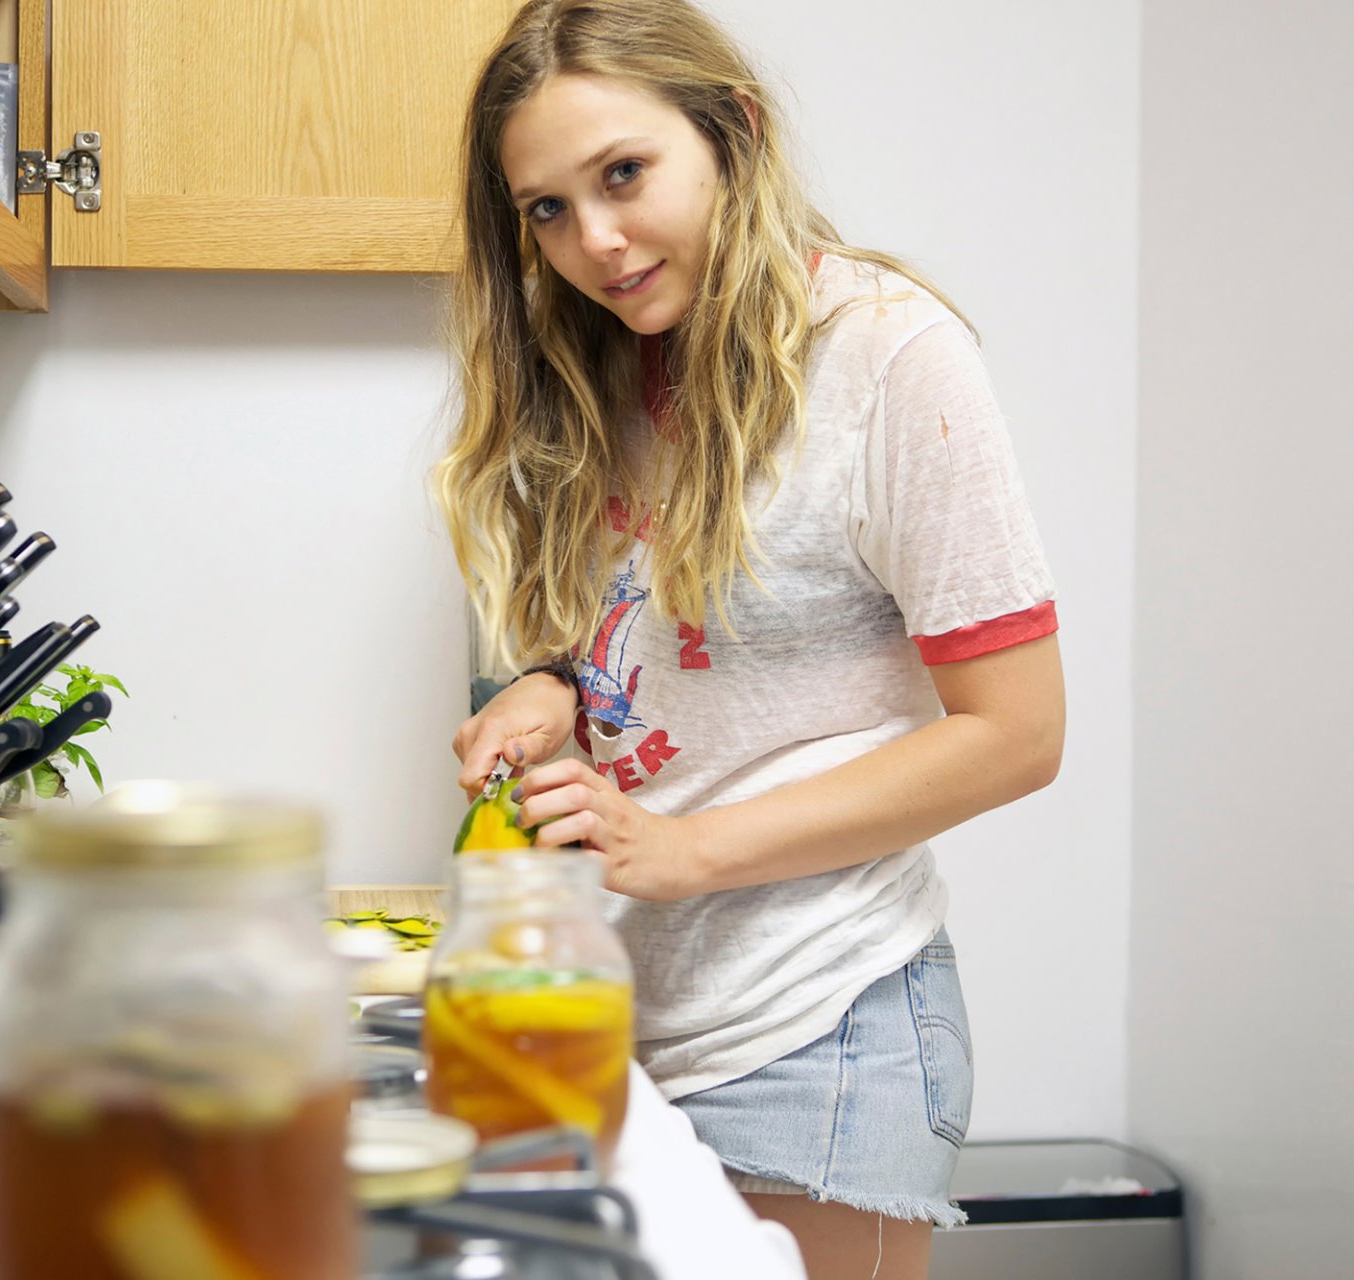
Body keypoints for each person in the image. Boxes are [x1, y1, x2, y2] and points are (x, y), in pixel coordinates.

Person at [432, 2, 1065, 1276]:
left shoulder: (889, 355)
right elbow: (670, 628)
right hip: (628, 1009)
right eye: (546, 208)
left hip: (819, 1031)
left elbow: (1017, 736)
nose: (594, 241)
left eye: (624, 174)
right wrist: (555, 688)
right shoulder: (607, 364)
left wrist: (684, 849)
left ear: (734, 133)